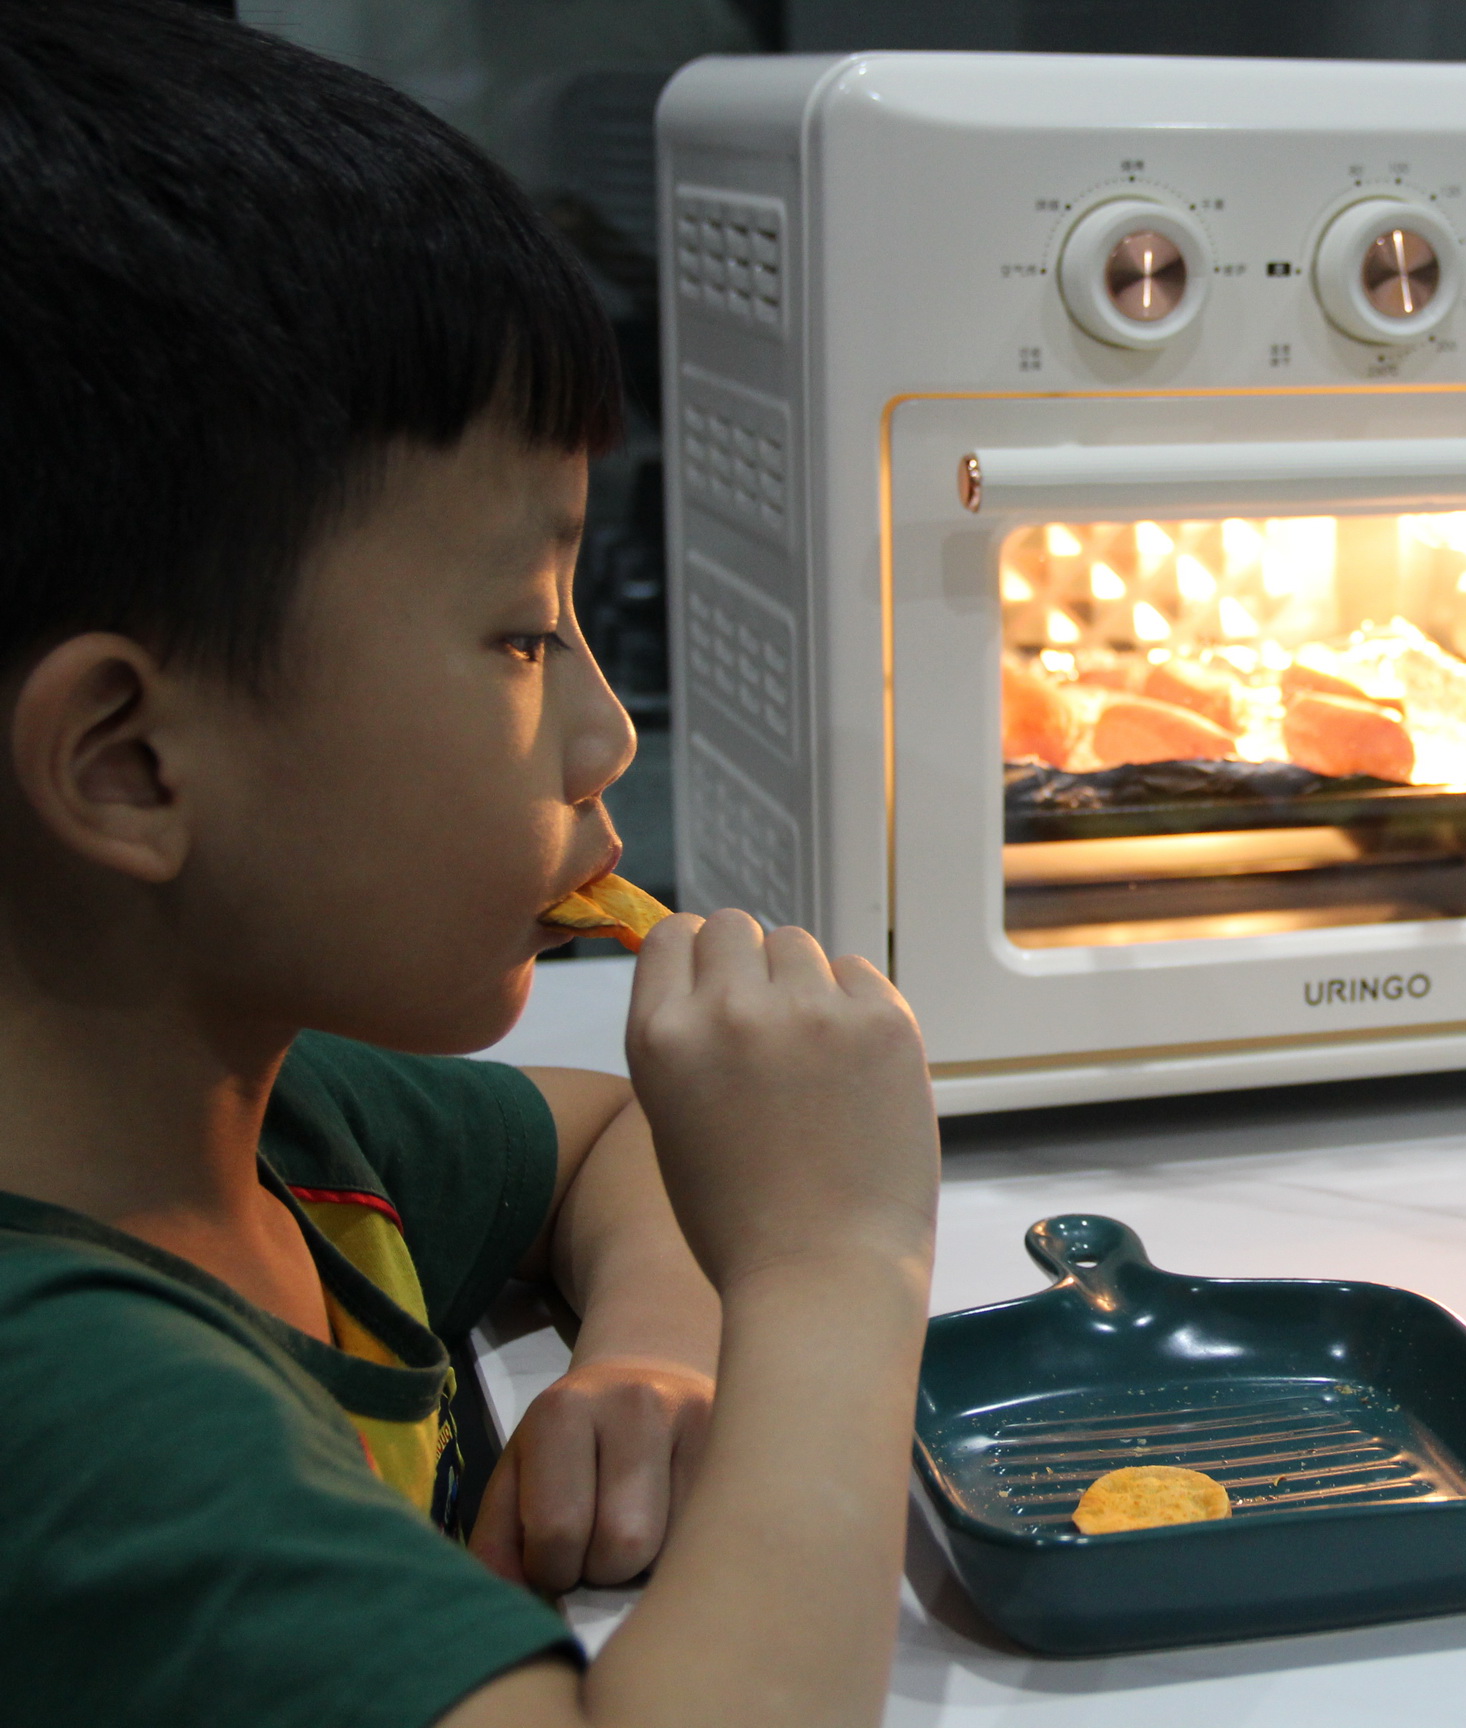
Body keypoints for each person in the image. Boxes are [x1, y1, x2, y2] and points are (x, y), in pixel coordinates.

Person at [0, 4, 940, 1724]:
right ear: (131, 761)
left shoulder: (286, 1136)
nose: (609, 736)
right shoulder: (72, 1409)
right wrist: (830, 1272)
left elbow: (617, 1125)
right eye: (522, 635)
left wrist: (657, 1345)